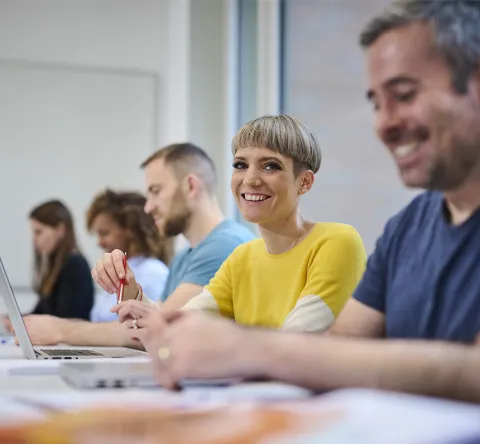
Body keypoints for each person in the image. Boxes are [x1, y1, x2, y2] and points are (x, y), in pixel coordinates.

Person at [133, 0, 480, 402]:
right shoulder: (407, 227)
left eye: (404, 95)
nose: (384, 124)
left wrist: (248, 349)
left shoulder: (339, 240)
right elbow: (341, 346)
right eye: (377, 103)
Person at [123, 115, 366, 332]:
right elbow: (176, 327)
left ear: (304, 182)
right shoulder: (242, 258)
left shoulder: (336, 241)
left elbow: (295, 342)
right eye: (240, 165)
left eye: (270, 166)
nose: (250, 179)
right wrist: (131, 289)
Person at [20, 143, 254, 346]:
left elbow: (160, 329)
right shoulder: (185, 256)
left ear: (191, 187)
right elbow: (154, 317)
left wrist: (61, 330)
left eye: (156, 191)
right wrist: (131, 290)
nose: (148, 207)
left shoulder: (224, 247)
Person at [22, 189, 172, 330]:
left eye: (105, 233)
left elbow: (145, 329)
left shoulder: (153, 273)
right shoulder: (116, 272)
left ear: (130, 231)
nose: (99, 243)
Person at [29, 200, 94, 319]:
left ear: (60, 230)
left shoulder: (75, 266)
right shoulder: (56, 267)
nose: (34, 240)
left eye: (38, 232)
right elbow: (38, 312)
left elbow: (66, 320)